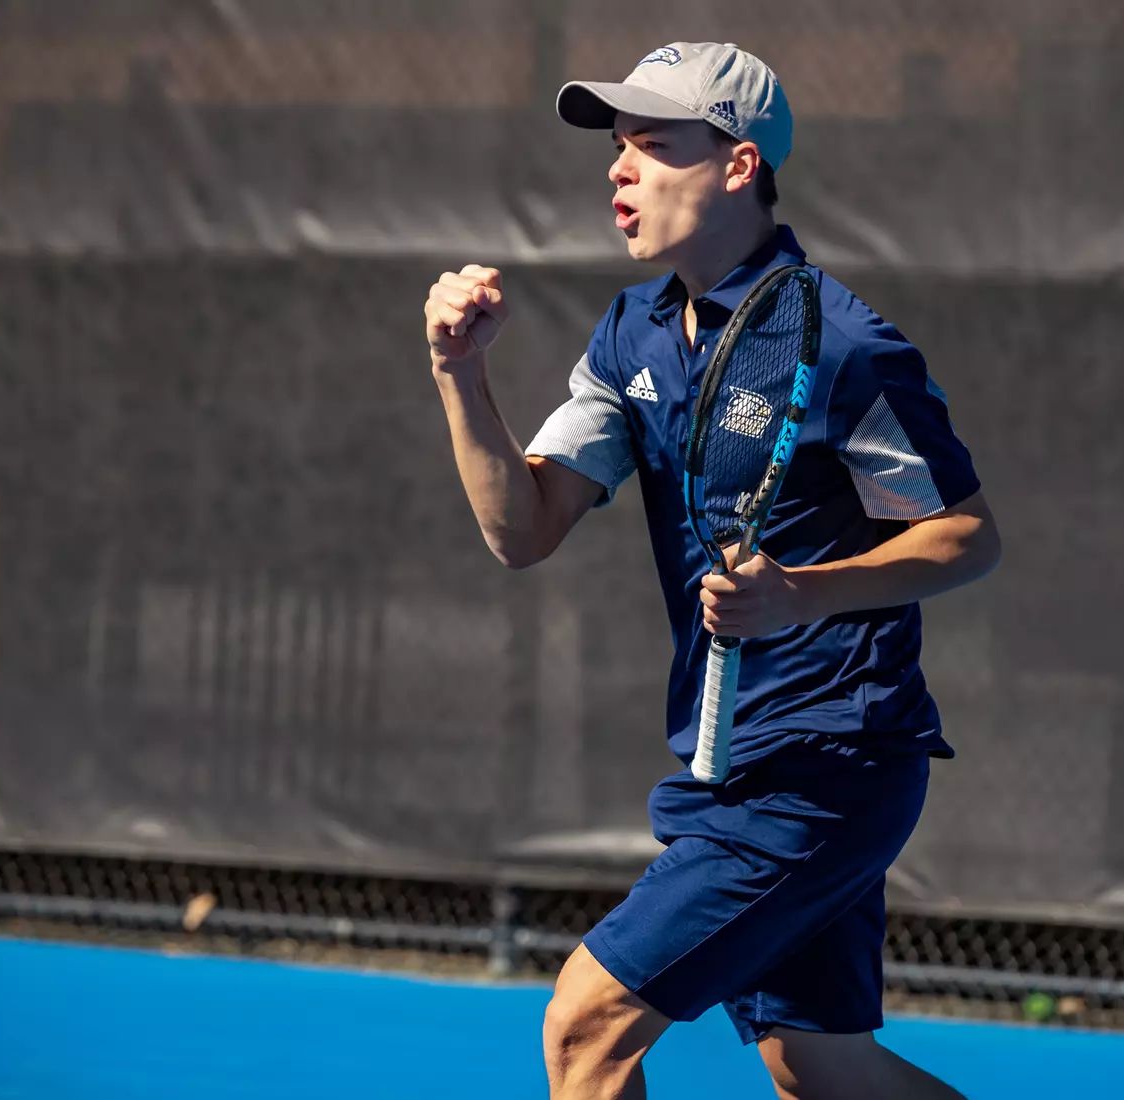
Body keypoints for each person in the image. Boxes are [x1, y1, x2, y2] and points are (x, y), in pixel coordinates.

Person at [424, 41, 1000, 1100]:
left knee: (585, 1027)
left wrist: (802, 592)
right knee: (822, 1068)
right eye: (616, 147)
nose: (619, 169)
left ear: (737, 165)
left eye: (651, 144)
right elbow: (525, 526)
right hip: (733, 754)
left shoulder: (843, 347)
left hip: (827, 761)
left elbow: (963, 535)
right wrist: (461, 375)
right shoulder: (631, 335)